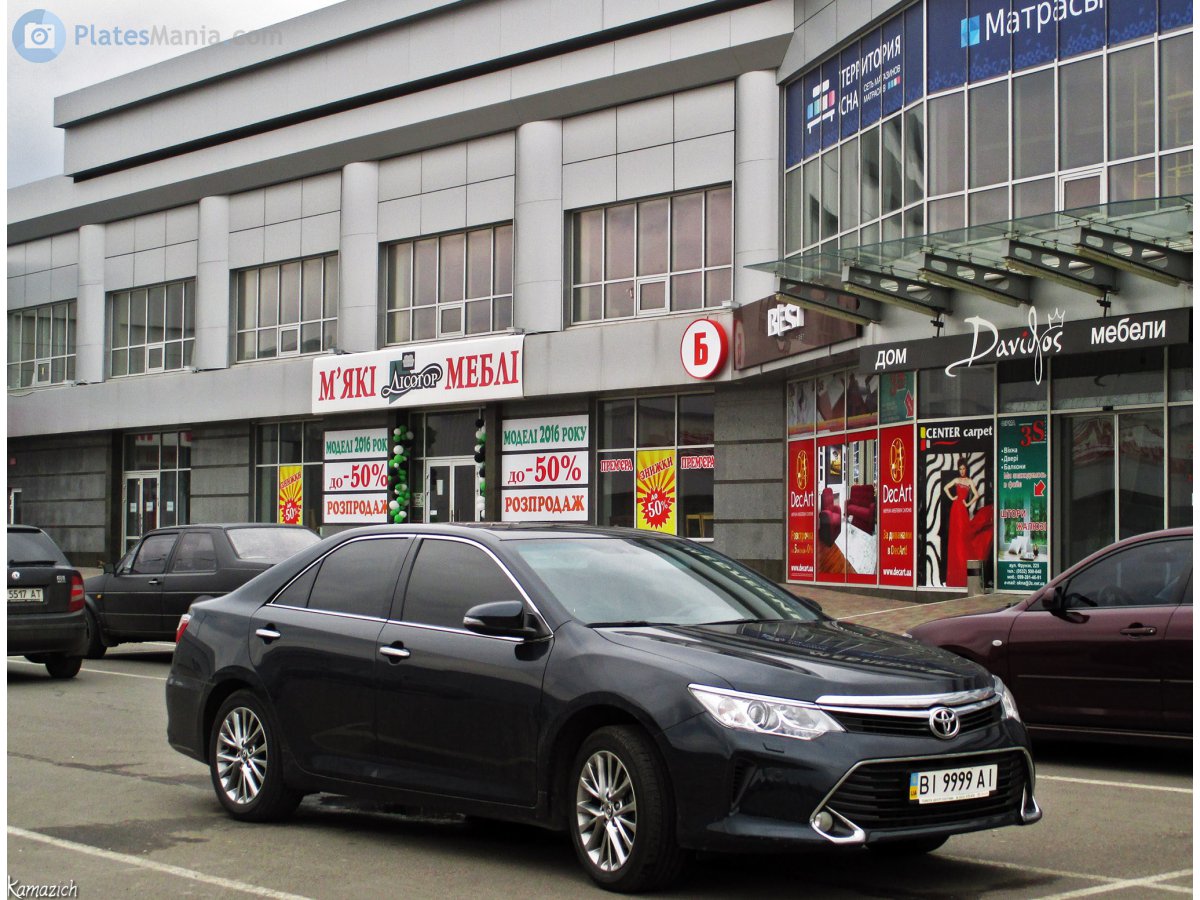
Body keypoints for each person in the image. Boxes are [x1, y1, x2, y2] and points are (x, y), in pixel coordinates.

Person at [943, 457, 984, 587]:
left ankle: (963, 574)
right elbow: (945, 488)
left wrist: (967, 504)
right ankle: (955, 576)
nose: (962, 471)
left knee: (963, 538)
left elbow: (976, 495)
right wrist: (952, 497)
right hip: (955, 509)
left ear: (966, 469)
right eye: (960, 469)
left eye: (963, 468)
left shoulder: (969, 481)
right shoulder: (956, 480)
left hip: (962, 510)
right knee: (955, 539)